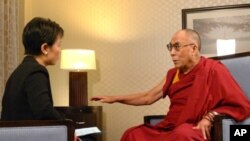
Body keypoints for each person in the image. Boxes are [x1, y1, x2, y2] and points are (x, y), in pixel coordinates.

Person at [91, 29, 250, 141]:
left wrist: (209, 117)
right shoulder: (172, 74)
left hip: (195, 128)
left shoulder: (213, 69)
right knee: (133, 134)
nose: (172, 52)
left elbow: (238, 104)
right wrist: (115, 98)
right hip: (169, 127)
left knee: (182, 134)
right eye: (170, 47)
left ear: (193, 48)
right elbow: (148, 97)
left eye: (177, 47)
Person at [1, 17, 64, 120]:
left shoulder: (21, 70)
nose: (60, 50)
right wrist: (69, 127)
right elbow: (45, 112)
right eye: (59, 45)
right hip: (26, 135)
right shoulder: (36, 72)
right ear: (45, 48)